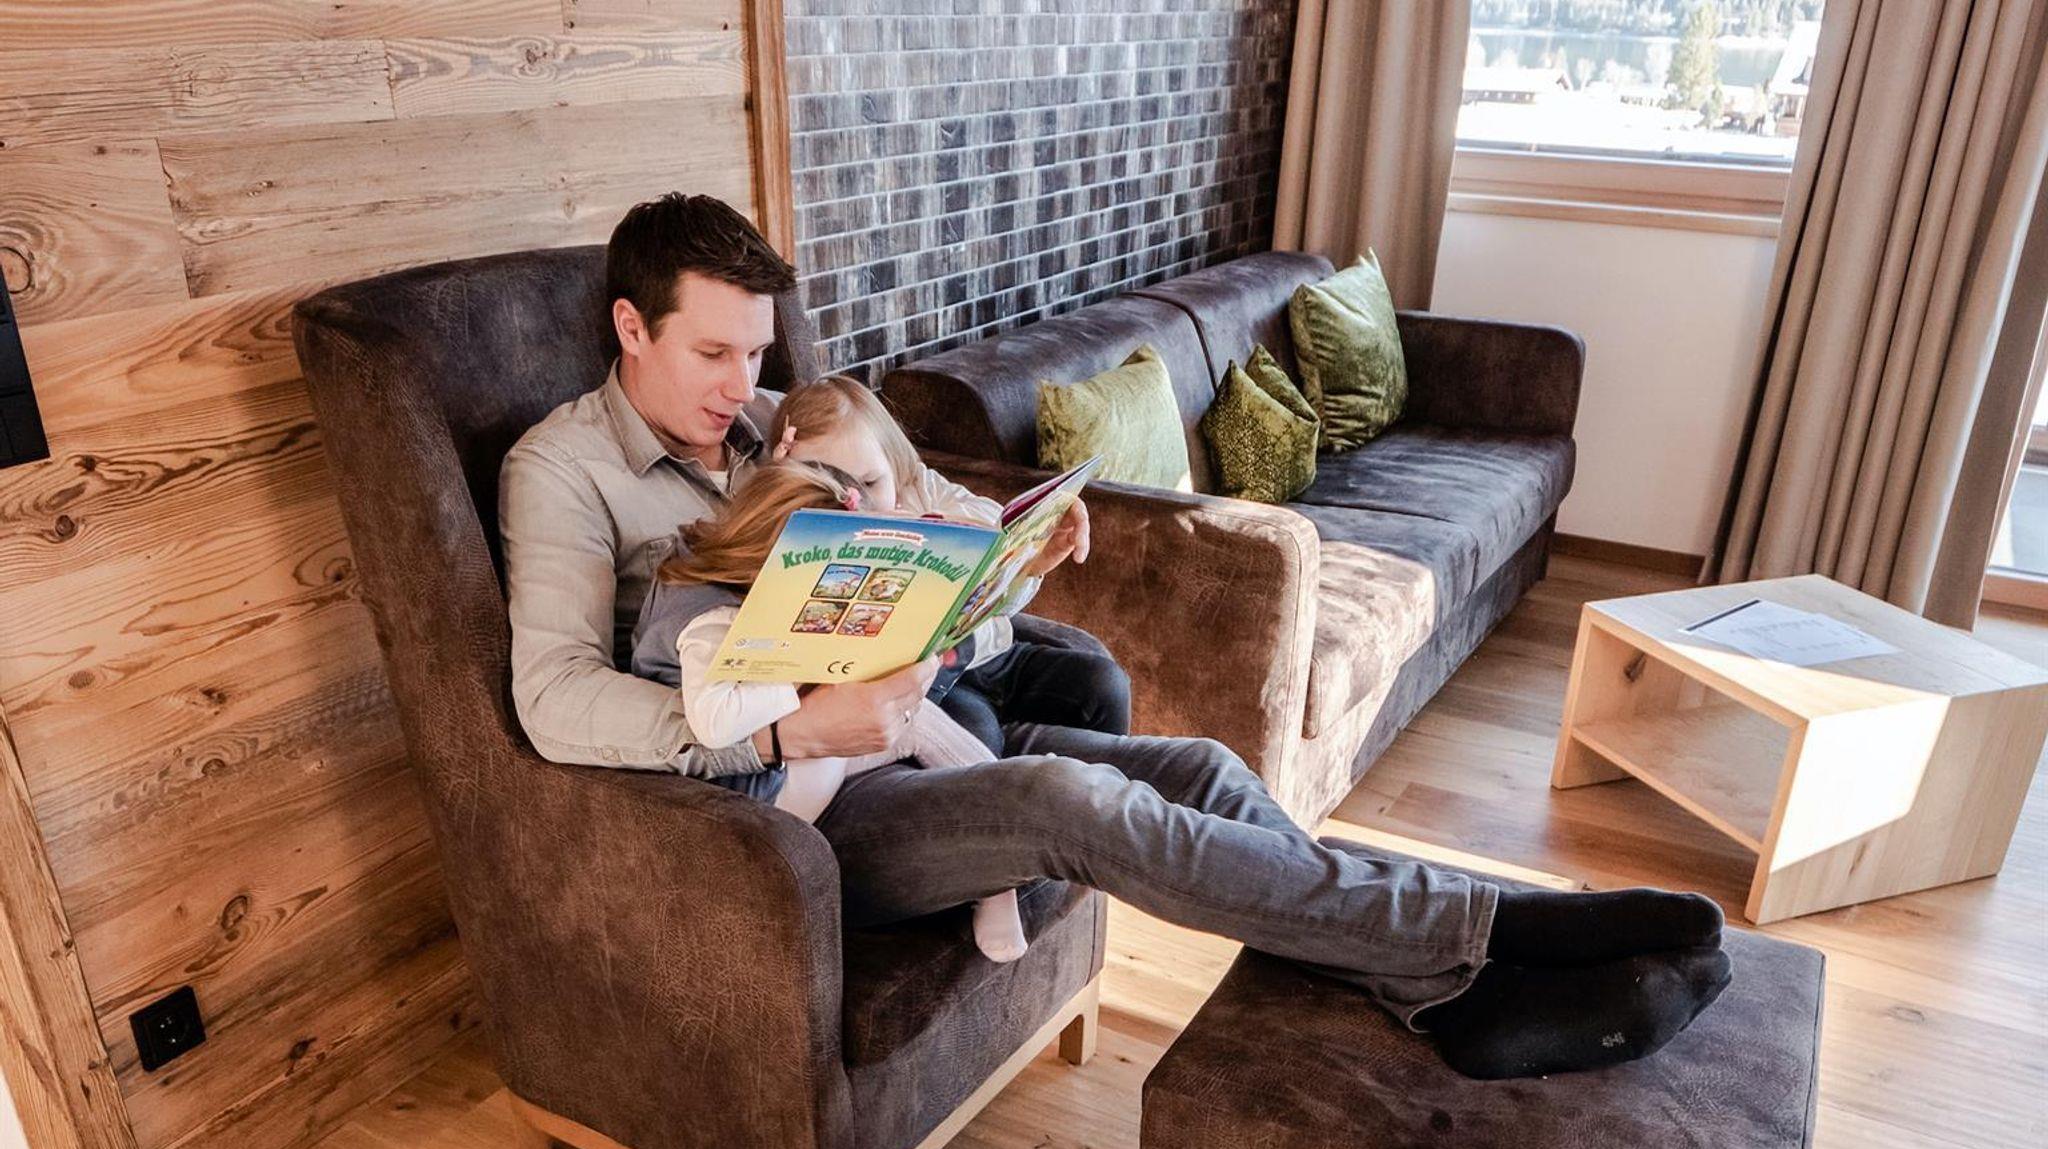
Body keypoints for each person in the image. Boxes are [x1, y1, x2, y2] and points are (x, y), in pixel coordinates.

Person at [500, 192, 1732, 1080]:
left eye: (758, 352)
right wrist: (782, 729)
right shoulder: (562, 471)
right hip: (778, 813)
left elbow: (927, 506)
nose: (743, 385)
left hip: (900, 734)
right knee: (1068, 801)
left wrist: (1006, 539)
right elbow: (552, 700)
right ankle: (1493, 930)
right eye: (713, 353)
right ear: (630, 327)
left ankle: (1447, 990)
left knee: (1199, 766)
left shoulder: (778, 422)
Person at [630, 457, 1033, 963]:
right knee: (906, 722)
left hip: (788, 749)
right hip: (748, 793)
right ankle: (1000, 860)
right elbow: (715, 721)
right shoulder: (708, 621)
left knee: (915, 716)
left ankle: (1005, 835)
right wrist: (802, 672)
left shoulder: (748, 588)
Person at [761, 374, 1133, 751]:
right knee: (978, 735)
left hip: (989, 655)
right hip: (927, 685)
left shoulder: (919, 487)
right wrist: (781, 493)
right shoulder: (794, 536)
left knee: (1104, 685)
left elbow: (995, 526)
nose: (861, 505)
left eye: (871, 483)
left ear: (895, 465)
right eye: (833, 492)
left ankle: (1111, 780)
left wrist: (1024, 556)